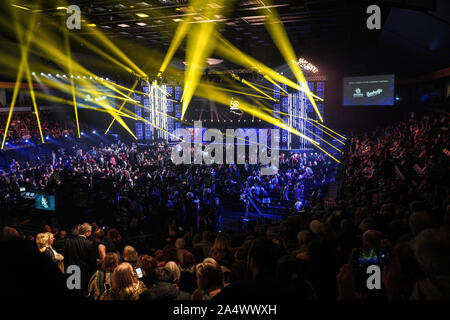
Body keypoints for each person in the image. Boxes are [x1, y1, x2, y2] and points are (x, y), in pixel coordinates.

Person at [64, 223, 97, 294]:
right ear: (87, 232)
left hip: (70, 272)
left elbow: (65, 258)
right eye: (90, 232)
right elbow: (92, 262)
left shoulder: (68, 242)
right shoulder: (90, 243)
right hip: (84, 274)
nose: (90, 233)